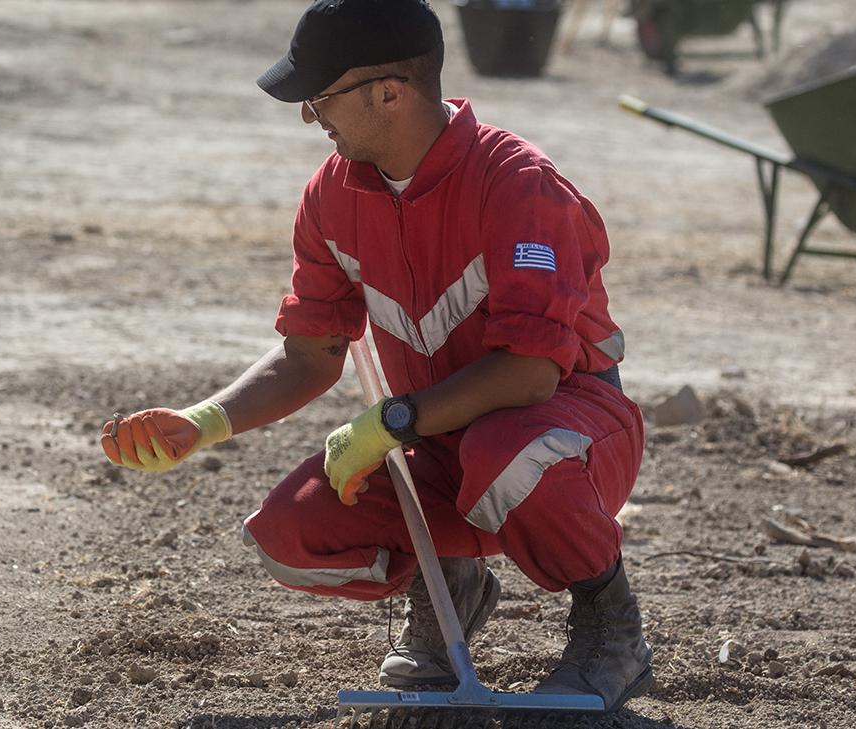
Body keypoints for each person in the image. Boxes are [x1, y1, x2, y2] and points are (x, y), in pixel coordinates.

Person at [99, 0, 651, 713]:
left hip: (568, 435)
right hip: (437, 439)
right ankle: (448, 582)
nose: (309, 117)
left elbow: (530, 372)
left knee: (506, 451)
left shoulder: (519, 184)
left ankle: (613, 627)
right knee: (289, 533)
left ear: (390, 91)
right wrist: (203, 422)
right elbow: (309, 356)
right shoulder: (333, 193)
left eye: (320, 97)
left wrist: (391, 420)